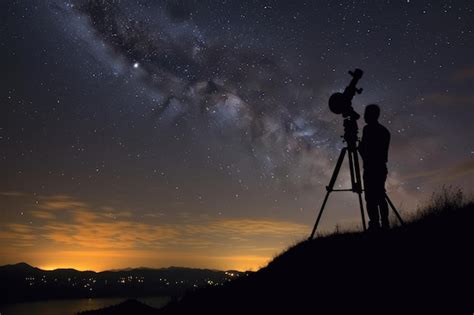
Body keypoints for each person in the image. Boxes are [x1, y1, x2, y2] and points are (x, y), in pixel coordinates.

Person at [358, 104, 391, 230]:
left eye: (366, 114)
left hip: (371, 169)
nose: (364, 117)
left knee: (370, 198)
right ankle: (385, 223)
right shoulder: (385, 131)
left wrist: (360, 148)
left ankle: (375, 224)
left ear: (371, 115)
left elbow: (367, 154)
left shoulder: (368, 129)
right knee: (380, 195)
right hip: (381, 168)